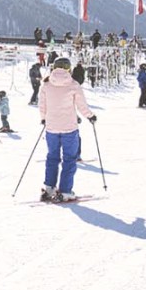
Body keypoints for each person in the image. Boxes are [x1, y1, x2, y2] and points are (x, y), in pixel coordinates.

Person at [38, 57, 96, 202]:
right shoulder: (73, 84)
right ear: (68, 68)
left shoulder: (46, 84)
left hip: (51, 128)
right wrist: (90, 116)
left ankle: (49, 188)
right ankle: (65, 191)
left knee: (52, 157)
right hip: (69, 128)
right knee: (69, 159)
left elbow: (42, 105)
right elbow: (81, 105)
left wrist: (44, 118)